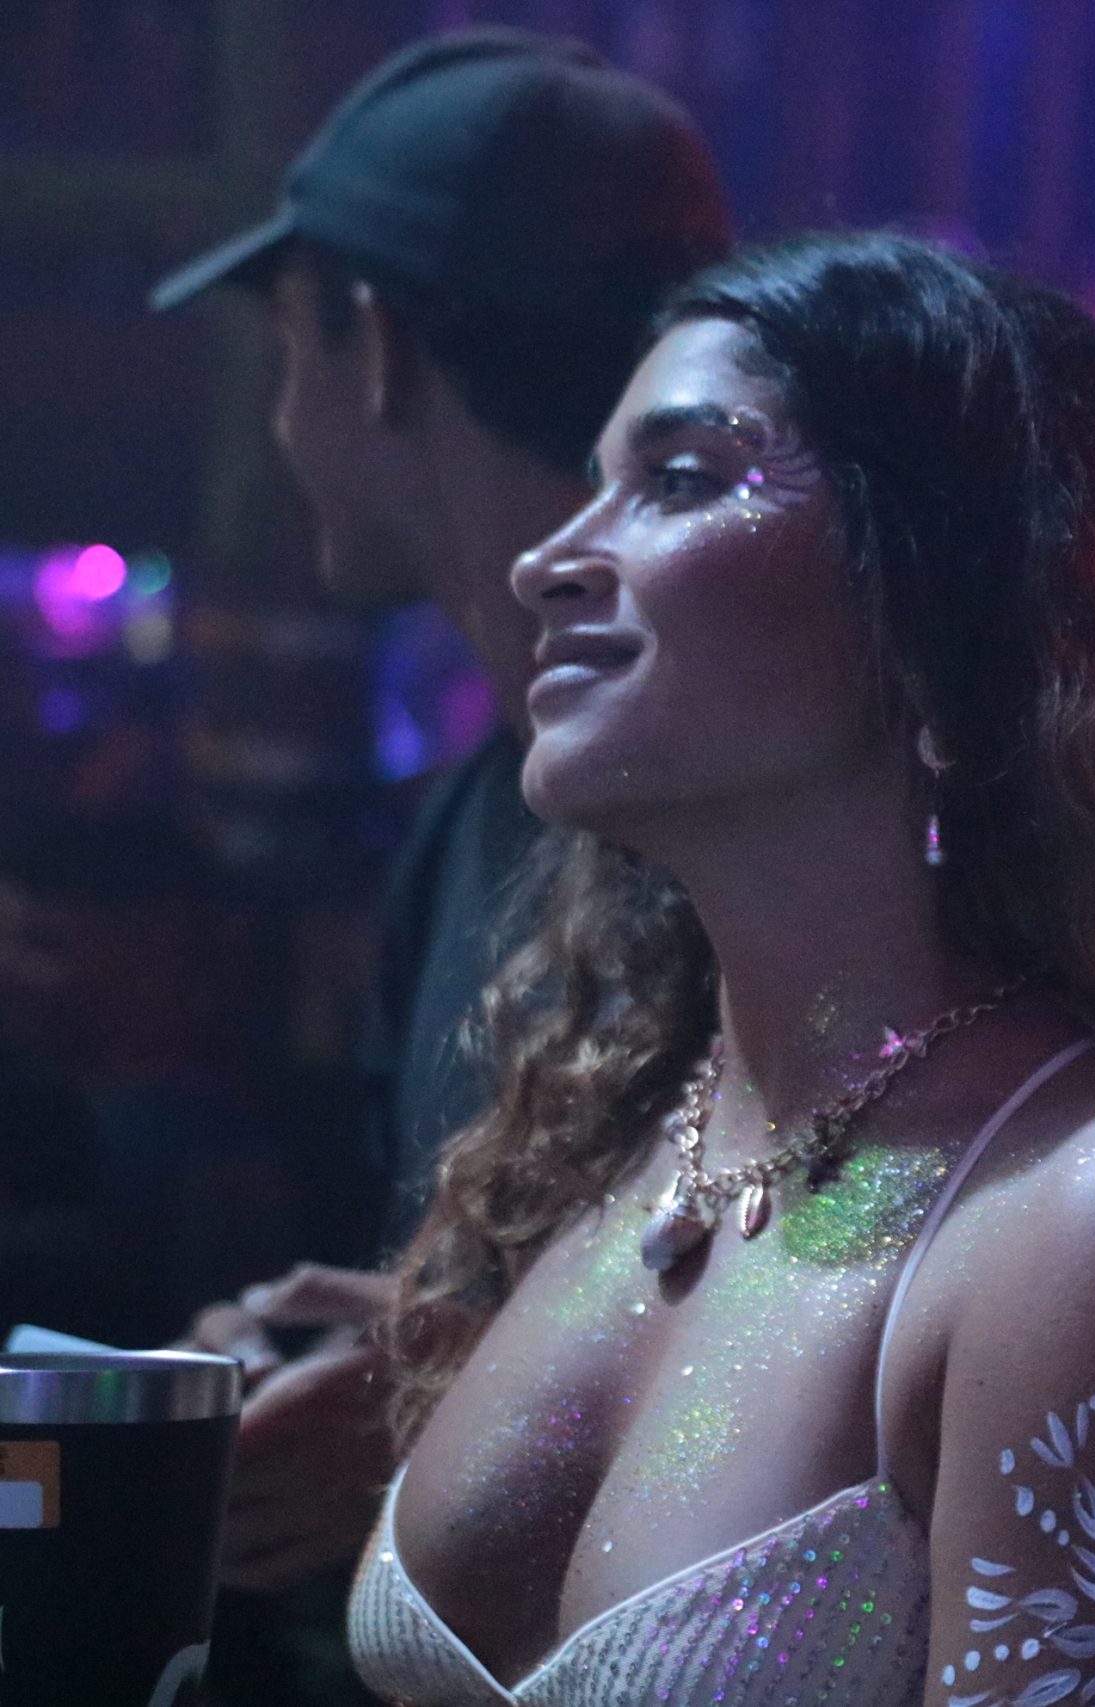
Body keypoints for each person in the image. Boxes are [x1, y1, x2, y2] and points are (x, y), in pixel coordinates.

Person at [343, 231, 1095, 1706]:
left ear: (946, 606)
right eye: (595, 480)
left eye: (683, 478)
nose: (549, 558)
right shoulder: (628, 1128)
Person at [147, 27, 731, 1700]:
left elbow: (843, 1269)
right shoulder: (481, 810)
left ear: (378, 344)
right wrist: (384, 1330)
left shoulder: (740, 809)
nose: (281, 420)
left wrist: (453, 1404)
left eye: (287, 349)